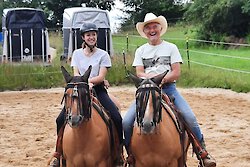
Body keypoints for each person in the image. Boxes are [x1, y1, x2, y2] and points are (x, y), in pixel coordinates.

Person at [122, 13, 216, 167]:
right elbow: (139, 72)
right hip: (147, 91)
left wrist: (161, 78)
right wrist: (151, 79)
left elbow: (176, 72)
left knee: (189, 117)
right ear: (145, 32)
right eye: (148, 28)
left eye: (154, 27)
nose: (152, 30)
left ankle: (202, 152)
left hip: (168, 89)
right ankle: (130, 155)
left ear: (160, 29)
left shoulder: (171, 48)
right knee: (126, 121)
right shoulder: (141, 51)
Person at [49, 22, 123, 167]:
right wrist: (82, 84)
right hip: (80, 90)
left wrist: (89, 82)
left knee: (116, 117)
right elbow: (76, 73)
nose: (91, 37)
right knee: (60, 119)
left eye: (93, 34)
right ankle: (58, 154)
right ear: (83, 37)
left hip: (98, 89)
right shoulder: (76, 54)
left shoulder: (103, 54)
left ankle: (118, 152)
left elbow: (101, 76)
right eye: (88, 35)